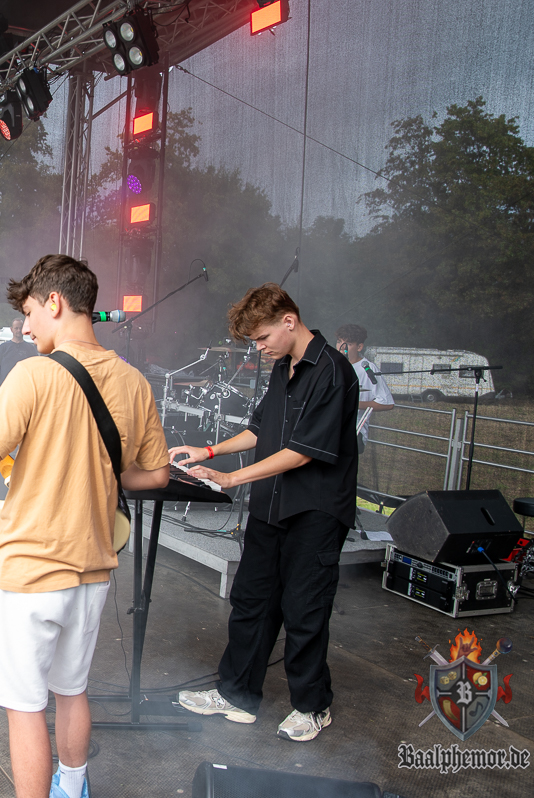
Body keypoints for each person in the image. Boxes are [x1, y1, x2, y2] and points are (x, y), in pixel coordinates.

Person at [0, 255, 170, 798]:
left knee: (25, 707)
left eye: (29, 312)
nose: (26, 328)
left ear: (55, 302)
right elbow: (155, 475)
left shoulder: (32, 374)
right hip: (93, 571)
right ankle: (73, 788)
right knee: (72, 691)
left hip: (30, 571)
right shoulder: (134, 382)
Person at [171, 283, 358, 743]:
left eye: (262, 338)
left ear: (288, 321)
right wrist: (208, 450)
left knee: (303, 610)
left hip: (314, 512)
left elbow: (302, 451)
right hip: (271, 507)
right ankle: (237, 695)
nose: (258, 348)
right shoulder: (282, 368)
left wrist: (233, 478)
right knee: (251, 602)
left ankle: (312, 706)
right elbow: (260, 429)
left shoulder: (333, 372)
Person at [334, 324, 394, 452]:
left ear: (359, 347)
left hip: (353, 432)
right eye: (339, 342)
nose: (341, 347)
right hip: (329, 429)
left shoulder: (368, 369)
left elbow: (387, 403)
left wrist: (353, 403)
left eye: (348, 344)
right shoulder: (332, 366)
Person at [0, 317, 39, 390]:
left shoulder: (30, 348)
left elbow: (36, 368)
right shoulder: (4, 347)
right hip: (5, 387)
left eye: (20, 328)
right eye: (16, 328)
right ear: (11, 329)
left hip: (24, 388)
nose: (18, 330)